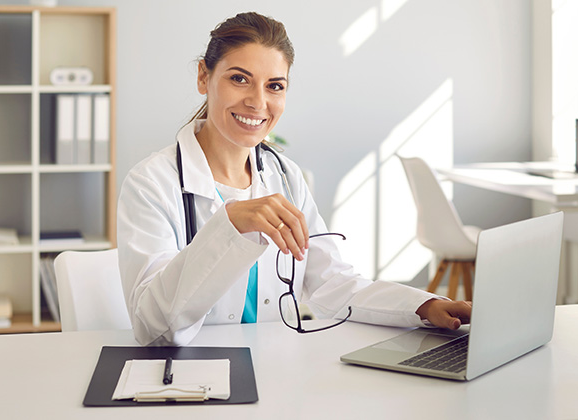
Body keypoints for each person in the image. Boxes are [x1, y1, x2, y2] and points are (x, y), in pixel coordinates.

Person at [117, 12, 471, 346]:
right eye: (239, 79)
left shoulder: (285, 177)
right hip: (191, 380)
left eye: (274, 86)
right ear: (203, 77)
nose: (258, 102)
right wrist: (228, 225)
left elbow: (334, 284)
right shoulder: (151, 183)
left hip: (277, 371)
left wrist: (422, 306)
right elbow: (152, 326)